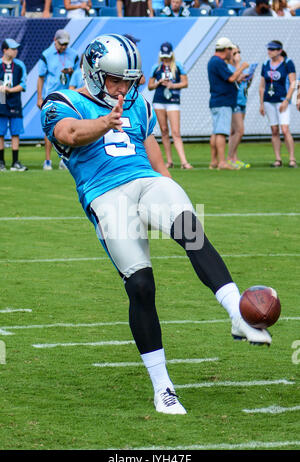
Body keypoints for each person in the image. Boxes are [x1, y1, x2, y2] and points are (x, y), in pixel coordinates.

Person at [41, 34, 272, 416]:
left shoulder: (139, 106)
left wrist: (172, 192)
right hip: (105, 194)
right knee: (141, 285)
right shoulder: (64, 101)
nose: (124, 88)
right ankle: (162, 387)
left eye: (129, 80)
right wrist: (103, 122)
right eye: (116, 80)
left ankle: (237, 313)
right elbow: (69, 134)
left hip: (147, 182)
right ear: (95, 74)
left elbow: (157, 165)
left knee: (190, 230)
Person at [37, 29, 79, 170]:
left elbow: (77, 72)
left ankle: (64, 159)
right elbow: (41, 77)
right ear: (55, 40)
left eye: (66, 44)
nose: (64, 46)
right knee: (49, 128)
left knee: (69, 126)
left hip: (68, 96)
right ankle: (47, 160)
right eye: (61, 44)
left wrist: (70, 72)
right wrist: (39, 97)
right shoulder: (46, 55)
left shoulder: (73, 54)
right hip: (51, 96)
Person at [148, 42, 192, 169]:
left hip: (173, 101)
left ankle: (184, 161)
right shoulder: (156, 67)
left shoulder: (178, 66)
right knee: (164, 131)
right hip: (159, 101)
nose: (165, 58)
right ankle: (169, 161)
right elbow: (150, 86)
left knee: (176, 132)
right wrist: (158, 83)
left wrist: (173, 85)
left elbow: (185, 82)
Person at [207, 37, 249, 170]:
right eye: (231, 49)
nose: (232, 52)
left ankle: (214, 161)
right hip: (222, 101)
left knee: (216, 132)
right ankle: (222, 162)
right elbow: (230, 78)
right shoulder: (218, 62)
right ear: (226, 49)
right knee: (221, 132)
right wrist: (242, 67)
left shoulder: (214, 61)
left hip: (218, 100)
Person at [259, 40, 297, 168]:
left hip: (282, 100)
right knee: (274, 130)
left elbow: (293, 83)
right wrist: (261, 103)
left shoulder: (287, 63)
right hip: (269, 100)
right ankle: (278, 159)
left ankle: (292, 158)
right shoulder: (265, 64)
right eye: (269, 49)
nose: (269, 51)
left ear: (279, 51)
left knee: (285, 130)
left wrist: (287, 100)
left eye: (273, 49)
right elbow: (262, 85)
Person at [0, 39, 27, 172]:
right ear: (5, 50)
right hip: (1, 100)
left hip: (15, 101)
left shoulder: (20, 65)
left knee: (15, 132)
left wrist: (10, 90)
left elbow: (23, 84)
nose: (15, 51)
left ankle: (15, 162)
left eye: (16, 48)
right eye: (12, 48)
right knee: (0, 133)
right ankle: (1, 162)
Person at [227, 45, 252, 169]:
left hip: (242, 100)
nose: (237, 55)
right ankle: (230, 158)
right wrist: (238, 65)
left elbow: (242, 83)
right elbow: (233, 78)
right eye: (235, 52)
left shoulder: (240, 68)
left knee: (234, 131)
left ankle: (234, 158)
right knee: (240, 130)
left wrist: (248, 78)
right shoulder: (229, 67)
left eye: (238, 52)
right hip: (234, 101)